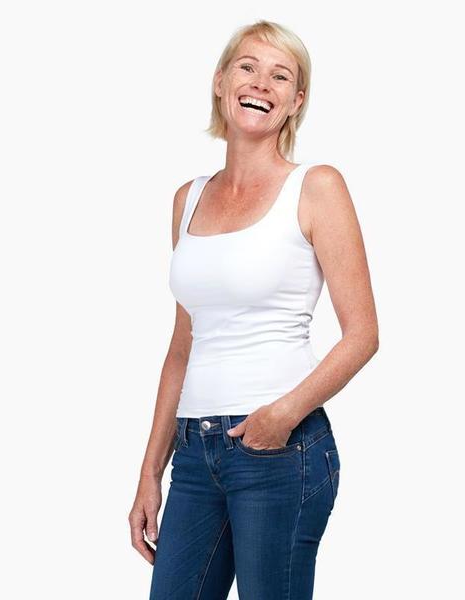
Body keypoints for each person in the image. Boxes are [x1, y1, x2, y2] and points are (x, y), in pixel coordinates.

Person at [129, 19, 379, 600]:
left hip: (280, 452)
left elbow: (363, 334)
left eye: (280, 75)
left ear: (296, 102)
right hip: (194, 456)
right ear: (221, 82)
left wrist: (283, 415)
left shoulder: (316, 187)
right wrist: (150, 471)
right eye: (248, 66)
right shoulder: (188, 198)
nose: (261, 83)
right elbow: (183, 346)